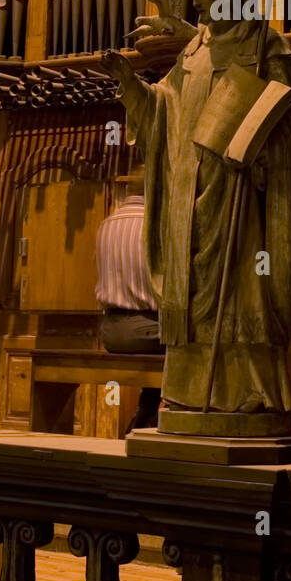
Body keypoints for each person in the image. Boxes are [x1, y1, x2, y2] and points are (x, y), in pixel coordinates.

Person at [107, 0, 291, 432]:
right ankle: (190, 397)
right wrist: (132, 88)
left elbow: (289, 130)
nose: (198, 3)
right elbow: (164, 113)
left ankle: (248, 400)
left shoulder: (266, 48)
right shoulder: (193, 52)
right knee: (190, 304)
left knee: (244, 295)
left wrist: (256, 155)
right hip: (187, 206)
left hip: (240, 207)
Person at [95, 169, 162, 431]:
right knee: (193, 342)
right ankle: (177, 420)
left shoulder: (106, 223)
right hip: (147, 329)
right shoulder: (155, 224)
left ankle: (145, 414)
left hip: (110, 332)